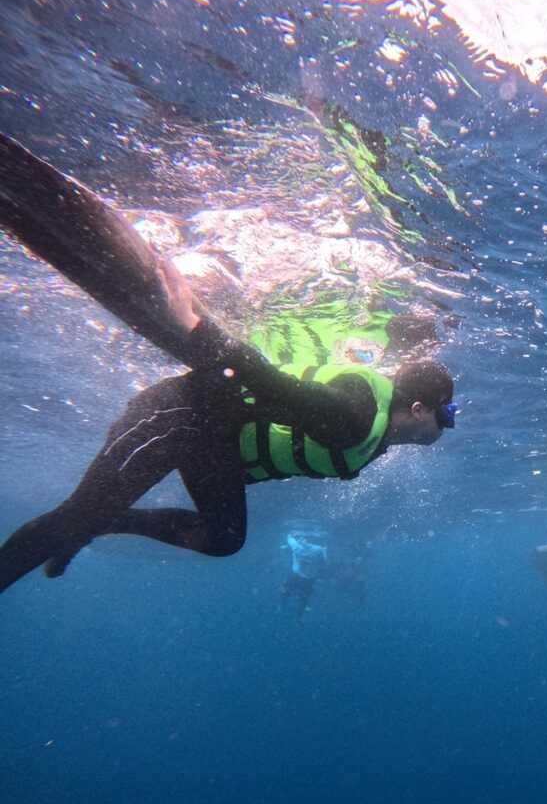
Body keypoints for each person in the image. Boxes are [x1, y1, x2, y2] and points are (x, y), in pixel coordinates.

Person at [0, 248, 458, 595]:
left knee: (224, 539)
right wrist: (192, 325)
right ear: (418, 409)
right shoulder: (356, 416)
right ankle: (83, 524)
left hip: (214, 444)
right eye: (447, 414)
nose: (449, 424)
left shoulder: (376, 435)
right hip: (182, 415)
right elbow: (268, 381)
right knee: (73, 518)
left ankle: (105, 521)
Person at [279, 532, 329, 620]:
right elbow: (324, 562)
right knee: (304, 598)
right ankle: (298, 615)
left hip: (296, 575)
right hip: (309, 579)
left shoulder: (296, 547)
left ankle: (282, 605)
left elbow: (289, 537)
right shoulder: (319, 549)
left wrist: (292, 536)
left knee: (287, 588)